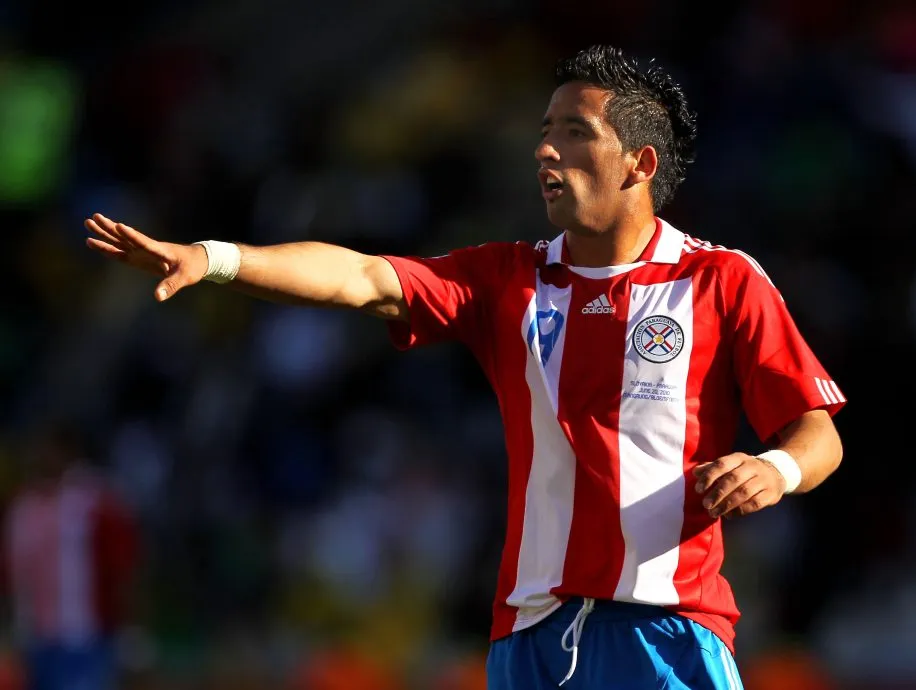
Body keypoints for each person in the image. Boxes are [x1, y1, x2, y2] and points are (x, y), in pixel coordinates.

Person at [84, 45, 845, 690]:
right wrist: (214, 259)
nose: (545, 149)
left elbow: (818, 432)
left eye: (574, 133)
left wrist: (774, 469)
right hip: (528, 638)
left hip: (665, 631)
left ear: (638, 164)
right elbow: (360, 277)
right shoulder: (505, 280)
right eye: (544, 131)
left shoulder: (720, 281)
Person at [3, 424, 138, 690]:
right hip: (34, 640)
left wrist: (129, 632)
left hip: (82, 639)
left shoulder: (93, 503)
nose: (42, 457)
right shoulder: (22, 509)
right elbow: (12, 574)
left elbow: (123, 567)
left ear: (69, 454)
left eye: (50, 451)